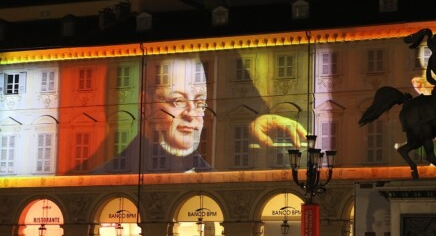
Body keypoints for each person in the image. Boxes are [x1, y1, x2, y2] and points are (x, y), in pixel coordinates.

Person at [93, 56, 306, 173]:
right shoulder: (106, 172)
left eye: (199, 103)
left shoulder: (209, 171)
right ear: (145, 105)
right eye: (177, 100)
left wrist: (253, 124)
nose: (191, 114)